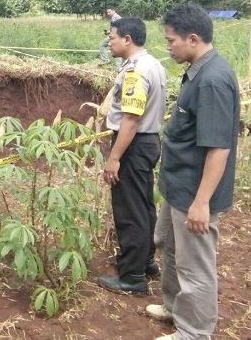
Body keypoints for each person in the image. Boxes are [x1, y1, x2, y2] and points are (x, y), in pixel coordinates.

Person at [145, 4, 240, 340]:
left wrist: (202, 202)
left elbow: (218, 148)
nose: (168, 46)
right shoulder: (198, 70)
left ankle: (194, 332)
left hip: (194, 193)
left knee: (194, 265)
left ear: (193, 39)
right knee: (169, 246)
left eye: (171, 41)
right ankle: (174, 306)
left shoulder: (213, 80)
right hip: (178, 185)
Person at [96, 17, 166, 294]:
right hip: (148, 142)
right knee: (144, 205)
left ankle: (132, 277)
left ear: (127, 39)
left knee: (130, 210)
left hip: (133, 144)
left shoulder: (135, 72)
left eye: (111, 36)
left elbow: (130, 120)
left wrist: (114, 158)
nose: (108, 41)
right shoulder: (154, 64)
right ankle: (145, 260)